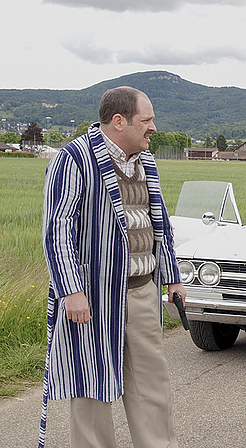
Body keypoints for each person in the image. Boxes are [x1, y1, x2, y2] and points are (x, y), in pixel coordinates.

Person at [40, 86, 185, 447]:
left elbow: (159, 224)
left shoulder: (145, 161)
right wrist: (70, 291)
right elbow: (56, 230)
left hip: (140, 293)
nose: (153, 128)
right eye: (147, 120)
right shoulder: (74, 158)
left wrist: (172, 278)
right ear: (119, 121)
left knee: (153, 389)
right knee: (90, 391)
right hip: (91, 299)